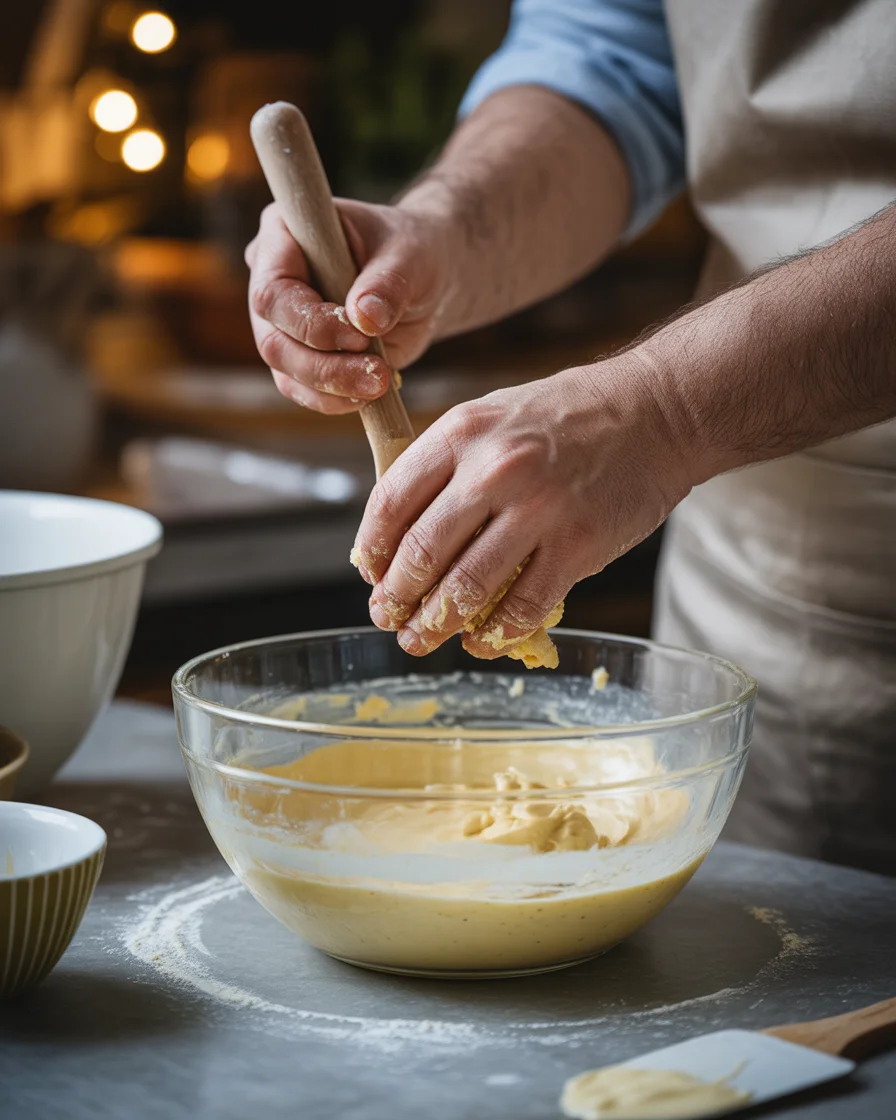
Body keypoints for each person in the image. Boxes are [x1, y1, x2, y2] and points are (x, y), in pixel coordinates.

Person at [245, 0, 896, 874]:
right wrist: (444, 233)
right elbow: (611, 60)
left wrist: (666, 409)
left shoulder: (671, 414)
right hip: (768, 584)